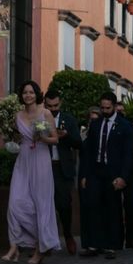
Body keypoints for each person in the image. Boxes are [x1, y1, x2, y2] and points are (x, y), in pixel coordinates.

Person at [2, 81, 61, 264]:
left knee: (41, 205)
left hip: (41, 161)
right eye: (25, 92)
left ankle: (39, 249)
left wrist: (42, 137)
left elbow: (55, 139)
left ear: (37, 94)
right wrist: (11, 140)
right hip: (23, 161)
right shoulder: (17, 116)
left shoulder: (45, 113)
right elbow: (14, 137)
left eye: (31, 92)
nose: (28, 95)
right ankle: (15, 245)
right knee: (15, 204)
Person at [80, 92, 133, 259]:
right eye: (102, 108)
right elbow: (87, 151)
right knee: (93, 205)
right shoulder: (95, 125)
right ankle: (94, 243)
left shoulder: (124, 126)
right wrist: (84, 175)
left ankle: (112, 245)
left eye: (108, 108)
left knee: (112, 207)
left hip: (113, 172)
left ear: (114, 106)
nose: (104, 110)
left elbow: (128, 154)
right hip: (96, 170)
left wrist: (123, 177)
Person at [43, 90, 82, 255]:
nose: (53, 109)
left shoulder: (69, 120)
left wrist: (65, 136)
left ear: (61, 103)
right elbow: (35, 137)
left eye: (56, 106)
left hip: (63, 167)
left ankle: (67, 234)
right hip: (44, 166)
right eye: (49, 106)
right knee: (45, 205)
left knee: (64, 205)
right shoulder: (41, 119)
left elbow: (78, 143)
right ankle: (47, 241)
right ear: (45, 104)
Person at [116, 101, 133, 249]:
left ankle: (131, 238)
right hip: (116, 172)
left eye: (121, 110)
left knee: (130, 206)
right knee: (116, 207)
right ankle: (119, 238)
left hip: (131, 174)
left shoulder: (132, 129)